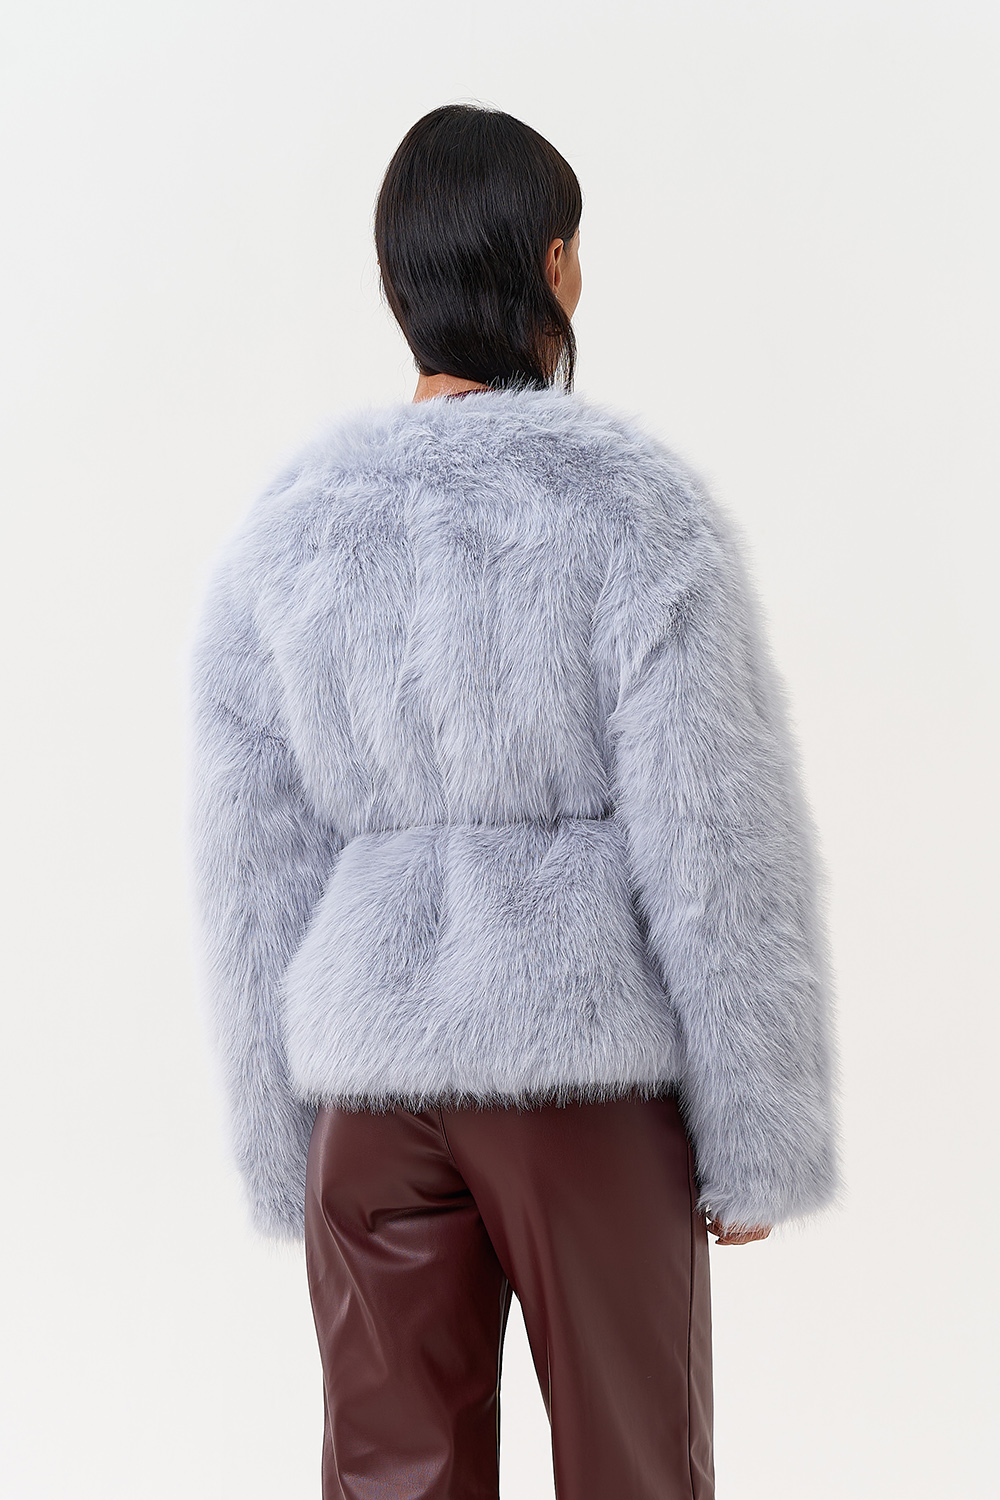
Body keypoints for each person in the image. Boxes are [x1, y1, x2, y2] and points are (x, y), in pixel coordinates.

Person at [188, 102, 842, 1500]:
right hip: (577, 1074)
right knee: (632, 1470)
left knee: (390, 1480)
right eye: (576, 252)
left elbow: (253, 867)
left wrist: (282, 1141)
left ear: (399, 284)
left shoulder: (288, 534)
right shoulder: (630, 510)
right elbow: (718, 836)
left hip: (369, 1091)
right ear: (553, 266)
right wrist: (758, 1132)